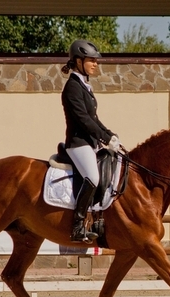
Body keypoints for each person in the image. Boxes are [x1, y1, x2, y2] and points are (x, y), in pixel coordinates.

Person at [60, 39, 120, 243]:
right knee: (93, 177)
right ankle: (77, 226)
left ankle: (98, 219)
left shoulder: (84, 85)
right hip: (78, 143)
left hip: (90, 143)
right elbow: (83, 120)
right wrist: (104, 137)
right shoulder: (72, 88)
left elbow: (93, 118)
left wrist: (110, 134)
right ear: (78, 61)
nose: (95, 64)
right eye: (91, 60)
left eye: (96, 61)